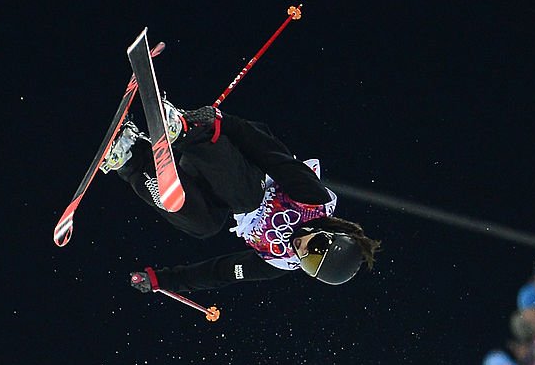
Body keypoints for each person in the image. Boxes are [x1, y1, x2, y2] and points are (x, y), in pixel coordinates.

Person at [101, 103, 381, 294]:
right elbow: (270, 152)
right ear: (328, 232)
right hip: (222, 154)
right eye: (317, 246)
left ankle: (130, 158)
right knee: (249, 200)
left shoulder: (277, 261)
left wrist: (161, 280)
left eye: (308, 262)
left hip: (207, 184)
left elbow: (220, 272)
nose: (303, 250)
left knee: (206, 226)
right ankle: (181, 129)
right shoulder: (313, 201)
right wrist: (215, 125)